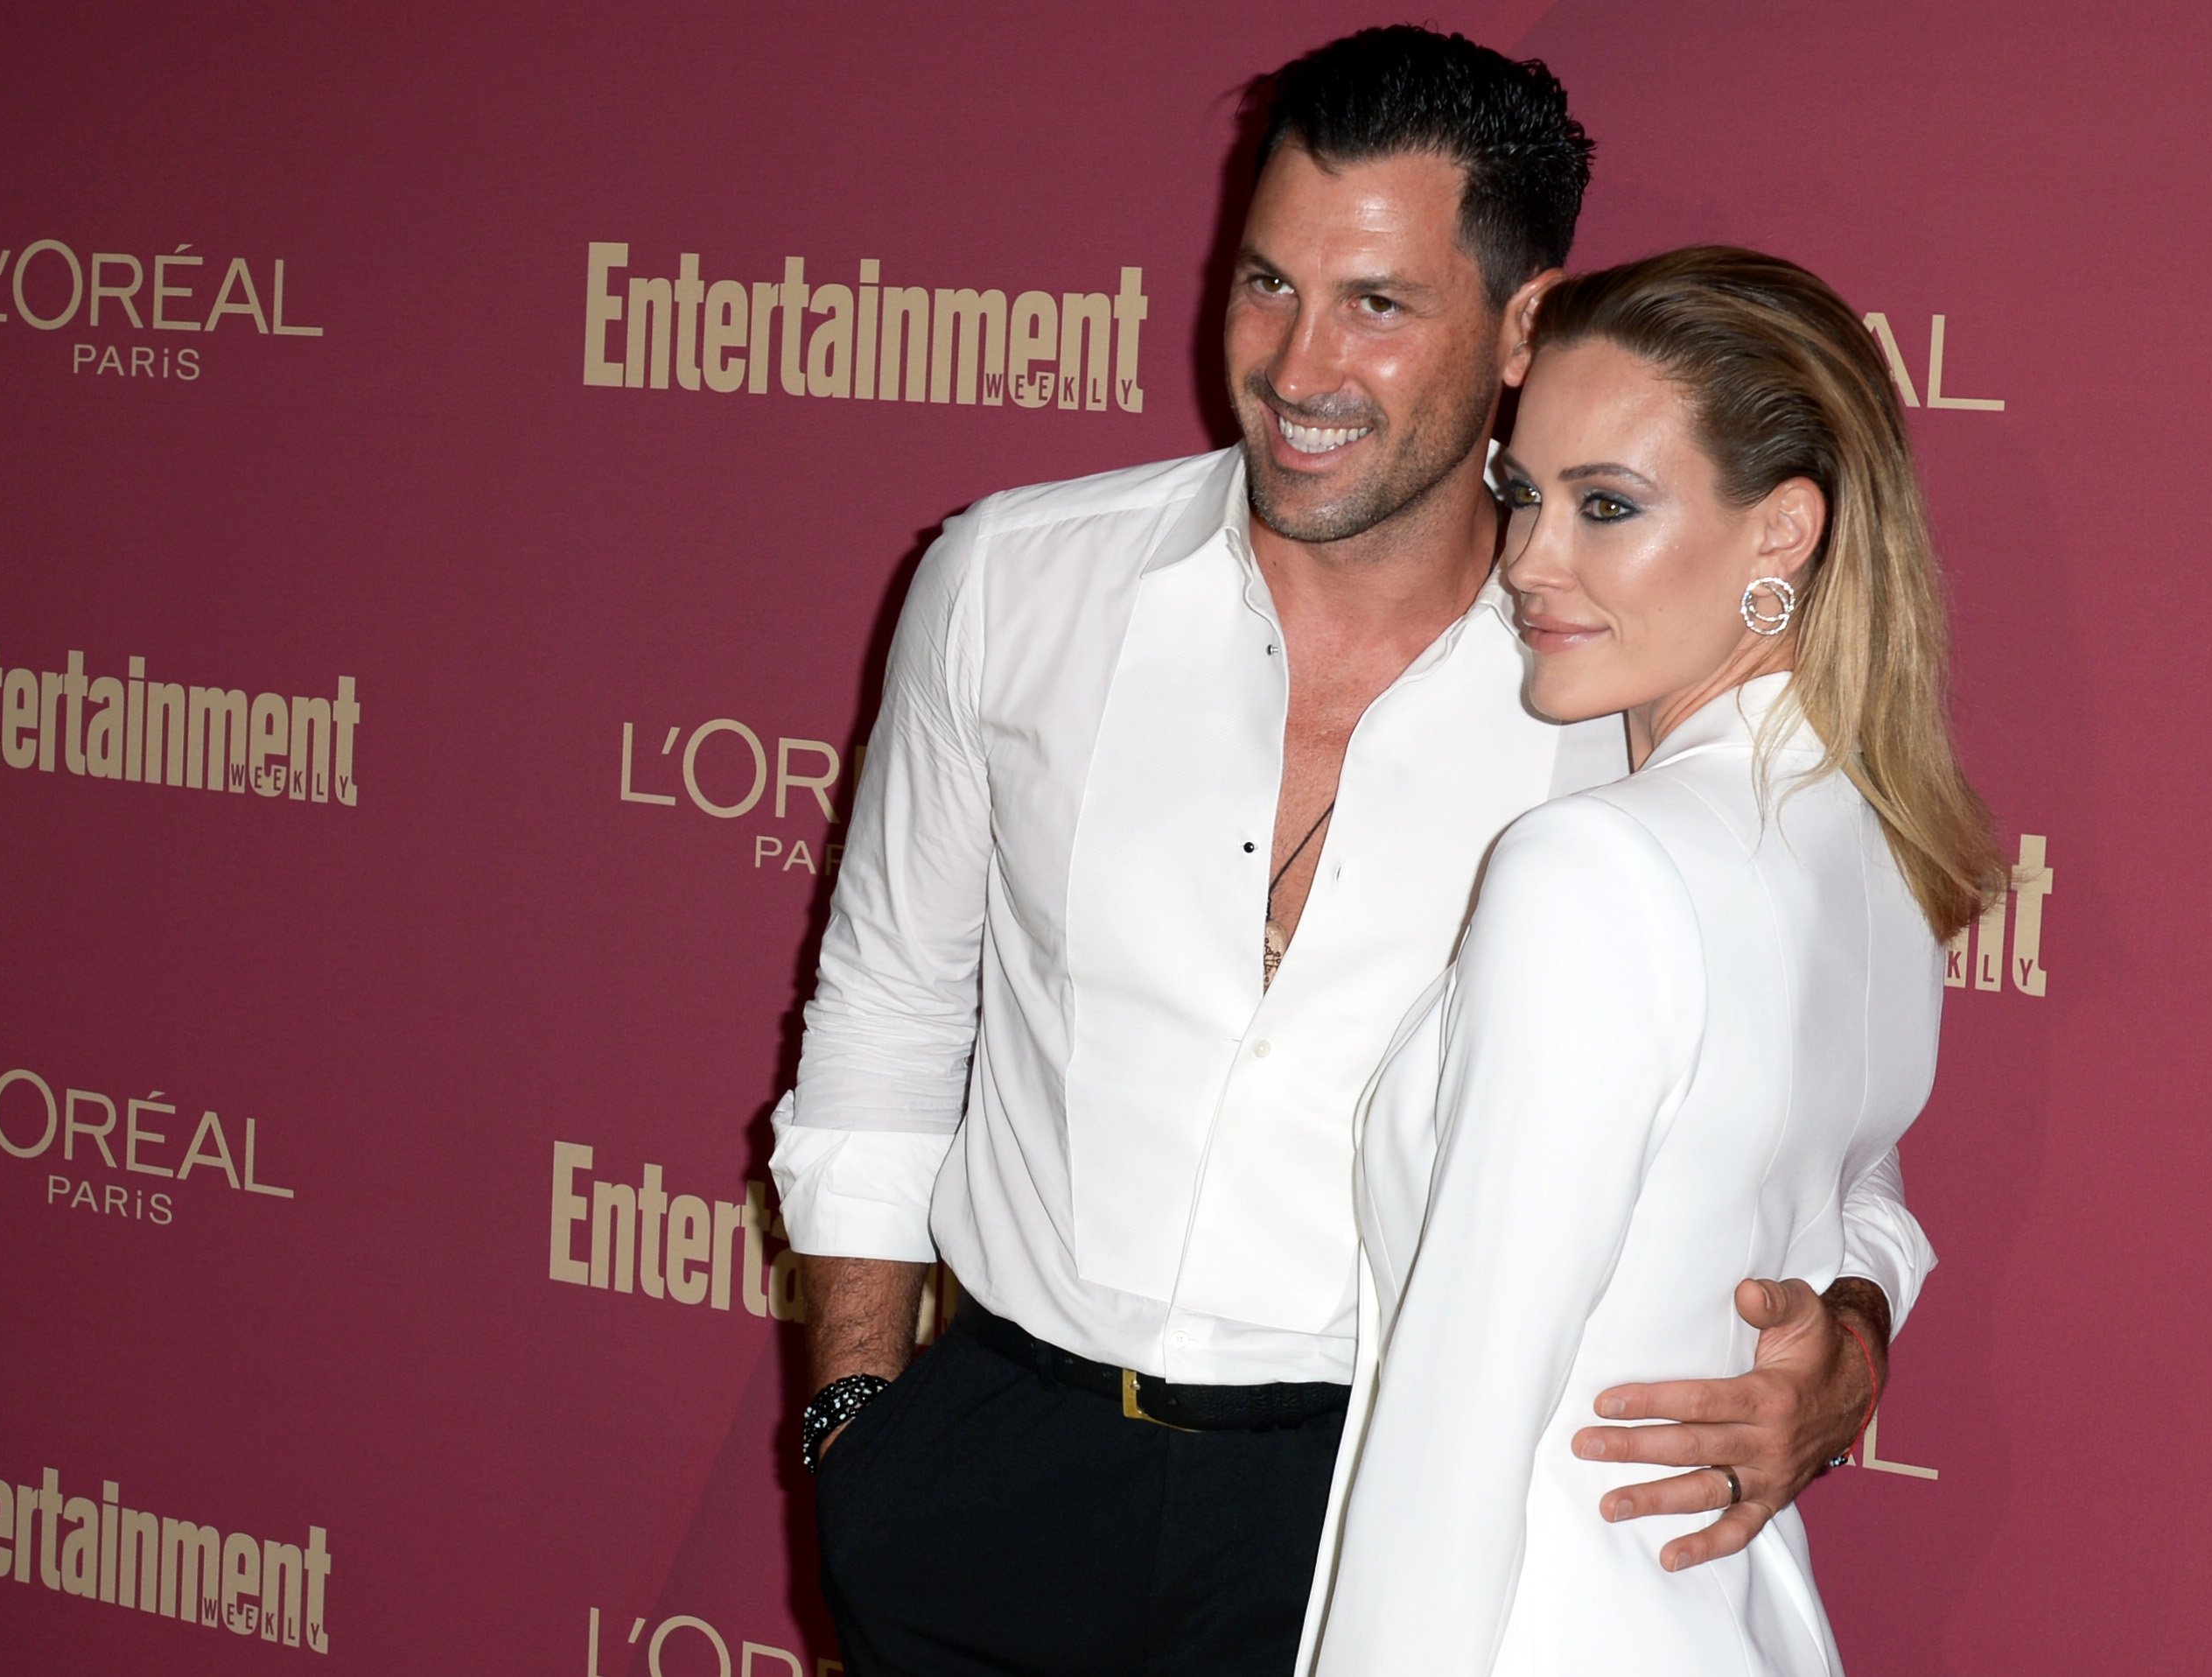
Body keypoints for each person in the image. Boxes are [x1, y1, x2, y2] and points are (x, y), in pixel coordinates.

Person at [771, 27, 1932, 1676]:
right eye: (1264, 284)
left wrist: (1857, 1330)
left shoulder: (1620, 682)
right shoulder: (1007, 586)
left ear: (1523, 323)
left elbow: (1837, 1141)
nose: (1297, 364)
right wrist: (857, 1423)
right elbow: (886, 1013)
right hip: (988, 1467)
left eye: (1378, 306)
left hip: (1372, 1499)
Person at [1302, 247, 2005, 1675]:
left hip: (1525, 1626)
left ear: (1780, 534)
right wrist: (1854, 1321)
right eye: (1521, 496)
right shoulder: (1871, 853)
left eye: (1604, 507)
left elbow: (1461, 1412)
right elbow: (1860, 1199)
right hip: (1730, 1618)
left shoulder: (1591, 872)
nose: (1524, 564)